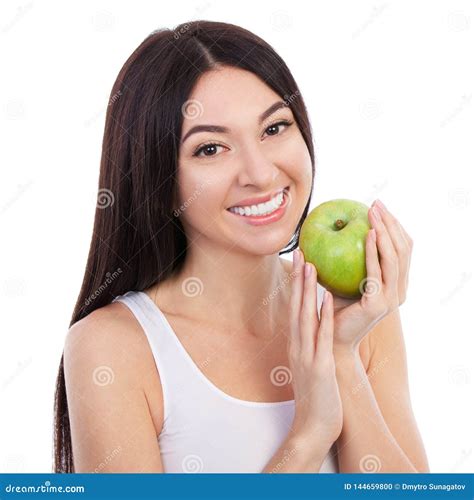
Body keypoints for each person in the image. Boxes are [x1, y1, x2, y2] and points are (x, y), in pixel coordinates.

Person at [54, 20, 429, 473]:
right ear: (160, 179)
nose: (260, 173)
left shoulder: (358, 312)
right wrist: (309, 435)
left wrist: (341, 357)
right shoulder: (113, 347)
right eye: (211, 149)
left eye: (274, 128)